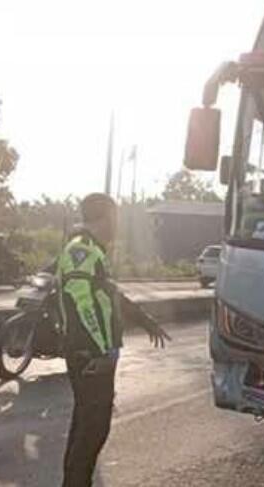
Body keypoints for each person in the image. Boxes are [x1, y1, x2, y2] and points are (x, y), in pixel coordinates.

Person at [57, 193, 171, 487]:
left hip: (96, 354)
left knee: (88, 430)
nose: (117, 225)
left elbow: (112, 297)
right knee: (91, 431)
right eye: (116, 217)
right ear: (106, 216)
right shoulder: (80, 251)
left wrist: (145, 321)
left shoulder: (94, 251)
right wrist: (99, 352)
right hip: (89, 355)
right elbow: (81, 303)